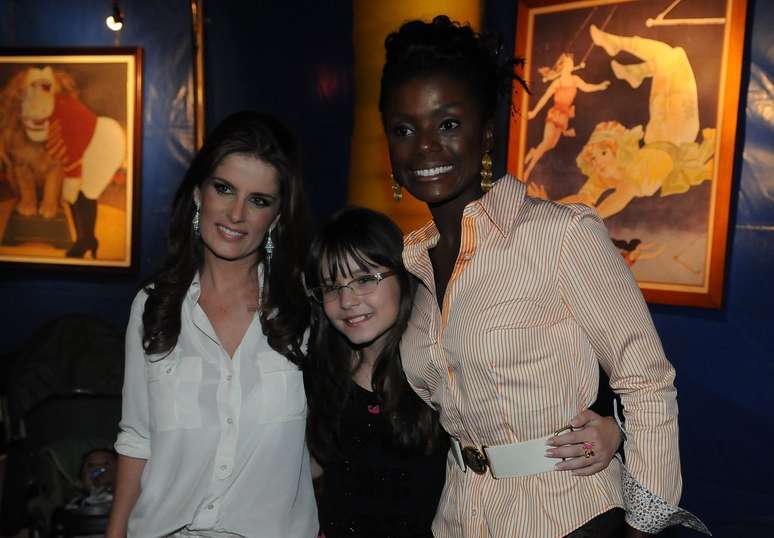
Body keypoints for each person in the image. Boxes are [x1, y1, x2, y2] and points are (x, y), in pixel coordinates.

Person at [379, 15, 708, 537]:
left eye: (448, 124)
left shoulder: (561, 235)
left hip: (567, 517)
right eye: (403, 129)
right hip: (460, 517)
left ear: (486, 131)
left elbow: (646, 381)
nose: (424, 147)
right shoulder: (415, 266)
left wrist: (642, 528)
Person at [303, 207, 624, 537]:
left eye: (364, 279)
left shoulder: (441, 366)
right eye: (331, 287)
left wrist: (613, 431)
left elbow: (544, 411)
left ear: (402, 274)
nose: (348, 300)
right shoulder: (320, 374)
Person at [106, 111, 317, 538]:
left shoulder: (305, 311)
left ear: (277, 217)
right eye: (224, 189)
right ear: (198, 193)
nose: (237, 213)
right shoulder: (153, 307)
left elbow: (334, 439)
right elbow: (137, 439)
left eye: (259, 200)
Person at [523, 52, 610, 181]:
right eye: (568, 63)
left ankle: (533, 152)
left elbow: (586, 87)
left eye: (571, 63)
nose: (571, 65)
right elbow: (545, 98)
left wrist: (600, 86)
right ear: (562, 66)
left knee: (551, 145)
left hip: (564, 116)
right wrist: (534, 112)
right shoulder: (557, 83)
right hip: (555, 114)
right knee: (546, 142)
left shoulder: (575, 79)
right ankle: (527, 171)